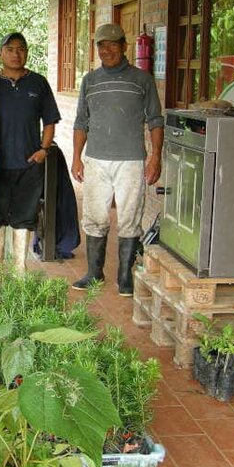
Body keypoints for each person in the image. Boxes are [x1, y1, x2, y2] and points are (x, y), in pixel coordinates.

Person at [70, 23, 163, 296]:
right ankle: (94, 273)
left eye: (113, 44)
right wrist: (76, 157)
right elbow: (80, 122)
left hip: (132, 161)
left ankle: (125, 277)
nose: (107, 50)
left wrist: (156, 156)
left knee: (130, 218)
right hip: (96, 160)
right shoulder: (90, 80)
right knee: (94, 217)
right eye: (102, 45)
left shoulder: (142, 79)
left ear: (125, 46)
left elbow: (156, 120)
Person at [0, 32, 60, 281]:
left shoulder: (38, 83)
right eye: (10, 49)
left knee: (24, 216)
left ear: (26, 52)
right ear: (0, 53)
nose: (16, 54)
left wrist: (43, 149)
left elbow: (50, 120)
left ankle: (19, 267)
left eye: (21, 49)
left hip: (29, 164)